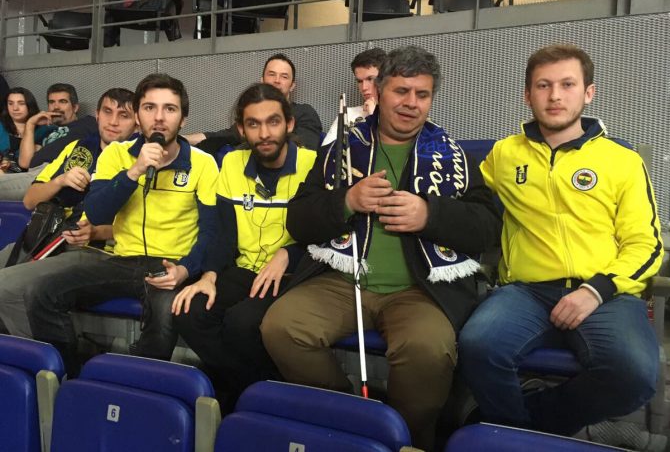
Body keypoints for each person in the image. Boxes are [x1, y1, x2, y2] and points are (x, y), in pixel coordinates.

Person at [260, 46, 501, 450]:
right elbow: (298, 220)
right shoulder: (340, 149)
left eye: (422, 94)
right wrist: (347, 201)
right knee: (281, 327)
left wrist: (430, 214)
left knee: (428, 351)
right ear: (380, 90)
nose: (411, 103)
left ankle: (409, 440)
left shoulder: (453, 156)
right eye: (401, 91)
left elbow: (487, 228)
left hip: (420, 291)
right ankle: (356, 421)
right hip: (342, 281)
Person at [458, 44, 663, 436]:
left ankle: (532, 424)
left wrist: (596, 290)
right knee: (478, 346)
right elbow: (463, 198)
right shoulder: (504, 155)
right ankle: (516, 435)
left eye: (567, 85)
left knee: (634, 374)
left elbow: (645, 243)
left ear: (589, 93)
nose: (555, 96)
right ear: (527, 95)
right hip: (526, 292)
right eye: (543, 85)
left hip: (607, 294)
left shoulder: (622, 161)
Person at [25, 74, 218, 376]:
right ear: (138, 116)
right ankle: (71, 377)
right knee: (41, 292)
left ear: (183, 119)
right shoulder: (117, 154)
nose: (159, 117)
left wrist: (186, 269)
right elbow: (96, 212)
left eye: (169, 109)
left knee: (165, 314)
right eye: (150, 107)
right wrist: (134, 171)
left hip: (170, 264)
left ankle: (136, 384)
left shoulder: (203, 163)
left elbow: (211, 231)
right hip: (122, 260)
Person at [172, 82, 316, 408]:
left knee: (242, 322)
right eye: (253, 124)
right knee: (189, 310)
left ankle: (250, 398)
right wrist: (208, 276)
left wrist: (290, 254)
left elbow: (326, 234)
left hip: (293, 275)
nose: (264, 133)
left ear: (289, 123)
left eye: (273, 121)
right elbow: (223, 233)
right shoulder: (233, 163)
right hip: (245, 268)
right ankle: (251, 388)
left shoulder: (313, 164)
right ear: (241, 129)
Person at [0, 88, 137, 338]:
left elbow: (147, 229)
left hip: (97, 250)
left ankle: (42, 358)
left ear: (137, 122)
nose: (113, 121)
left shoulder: (139, 160)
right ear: (97, 115)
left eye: (124, 115)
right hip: (47, 236)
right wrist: (60, 181)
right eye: (107, 112)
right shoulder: (78, 148)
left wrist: (97, 231)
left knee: (5, 287)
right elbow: (30, 200)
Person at [185, 53, 323, 151]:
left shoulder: (304, 112)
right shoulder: (252, 114)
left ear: (292, 86)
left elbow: (306, 149)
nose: (277, 80)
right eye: (272, 74)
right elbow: (219, 136)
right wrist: (178, 139)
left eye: (284, 76)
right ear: (262, 81)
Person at [0, 83, 97, 201]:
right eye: (52, 102)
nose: (56, 107)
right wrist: (30, 124)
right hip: (32, 174)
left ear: (75, 107)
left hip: (53, 174)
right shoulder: (47, 131)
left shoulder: (87, 123)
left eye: (62, 102)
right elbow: (25, 163)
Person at [322, 47, 386, 146]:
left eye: (370, 79)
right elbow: (326, 151)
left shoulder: (399, 115)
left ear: (385, 78)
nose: (364, 87)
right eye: (359, 81)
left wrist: (373, 115)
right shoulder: (348, 115)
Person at [0, 87, 46, 173]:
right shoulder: (1, 126)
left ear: (30, 105)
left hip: (32, 176)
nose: (15, 108)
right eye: (10, 103)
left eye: (21, 103)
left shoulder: (45, 129)